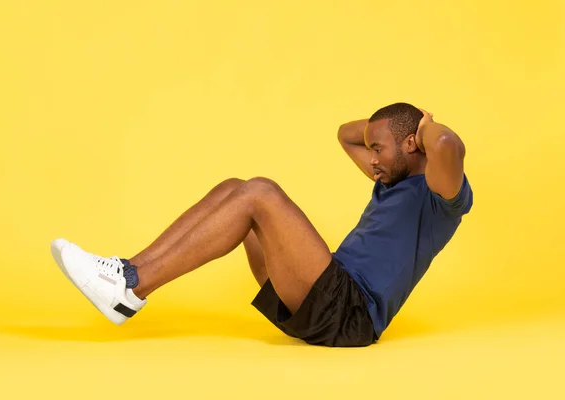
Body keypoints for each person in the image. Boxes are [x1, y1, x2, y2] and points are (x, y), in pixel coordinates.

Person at [51, 102, 473, 347]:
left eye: (378, 149)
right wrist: (390, 127)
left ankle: (131, 287)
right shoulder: (390, 176)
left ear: (413, 145)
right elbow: (346, 134)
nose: (372, 159)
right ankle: (127, 277)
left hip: (350, 314)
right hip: (320, 294)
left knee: (260, 193)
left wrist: (423, 124)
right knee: (237, 187)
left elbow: (448, 145)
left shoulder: (440, 197)